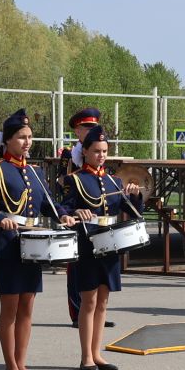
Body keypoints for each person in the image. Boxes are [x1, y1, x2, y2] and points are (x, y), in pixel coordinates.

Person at [0, 108, 72, 370]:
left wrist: (63, 214)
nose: (27, 142)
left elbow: (48, 204)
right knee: (10, 307)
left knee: (27, 307)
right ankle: (10, 366)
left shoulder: (36, 171)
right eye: (21, 137)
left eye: (29, 137)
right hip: (7, 243)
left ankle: (22, 361)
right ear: (7, 140)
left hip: (32, 243)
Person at [63, 125, 144, 370]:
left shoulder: (113, 181)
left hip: (110, 244)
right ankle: (85, 356)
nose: (101, 156)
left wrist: (135, 194)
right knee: (88, 301)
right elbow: (62, 209)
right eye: (96, 151)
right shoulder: (74, 179)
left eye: (104, 151)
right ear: (85, 151)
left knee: (103, 301)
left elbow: (134, 211)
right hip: (88, 243)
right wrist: (75, 211)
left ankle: (97, 353)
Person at [60, 106, 101, 326]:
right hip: (77, 216)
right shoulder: (70, 155)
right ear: (77, 131)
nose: (91, 130)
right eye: (87, 127)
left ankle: (94, 314)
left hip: (96, 220)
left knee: (97, 268)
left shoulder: (98, 150)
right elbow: (62, 183)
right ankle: (77, 312)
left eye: (94, 126)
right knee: (76, 268)